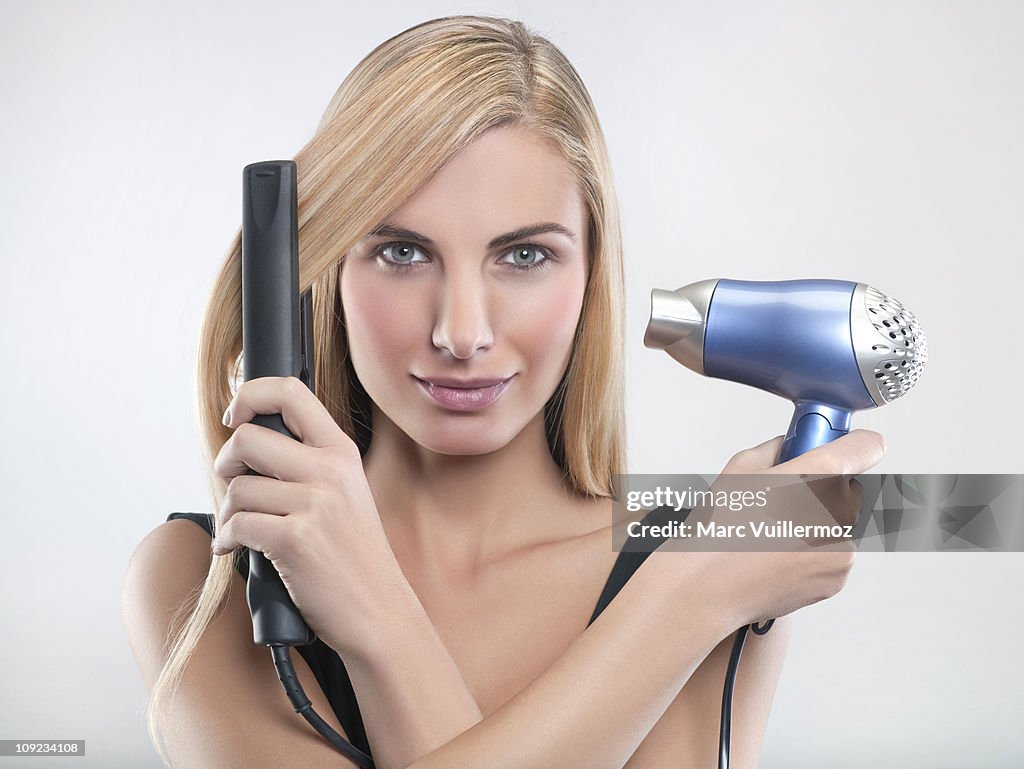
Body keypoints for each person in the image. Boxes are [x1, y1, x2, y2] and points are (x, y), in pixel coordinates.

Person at [122, 15, 885, 769]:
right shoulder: (202, 580)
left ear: (592, 274)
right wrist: (691, 590)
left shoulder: (722, 552)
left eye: (523, 254)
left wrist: (698, 582)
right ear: (320, 276)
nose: (461, 330)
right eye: (400, 251)